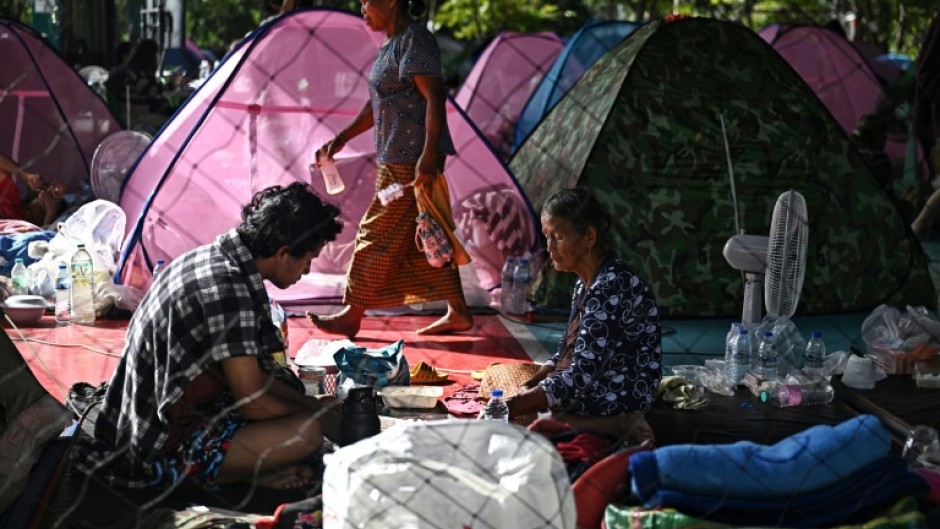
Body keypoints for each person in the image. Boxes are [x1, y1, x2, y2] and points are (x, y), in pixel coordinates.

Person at [71, 183, 344, 492]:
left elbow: (252, 380)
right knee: (305, 434)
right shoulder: (228, 289)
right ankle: (229, 474)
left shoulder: (213, 259)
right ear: (283, 253)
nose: (307, 271)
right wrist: (315, 415)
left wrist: (309, 402)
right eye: (308, 258)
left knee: (306, 411)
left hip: (143, 418)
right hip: (156, 445)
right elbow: (252, 403)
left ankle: (243, 467)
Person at [306, 0, 472, 337]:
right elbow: (378, 102)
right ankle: (459, 312)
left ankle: (351, 314)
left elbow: (434, 99)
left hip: (411, 159)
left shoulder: (415, 40)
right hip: (396, 157)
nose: (362, 8)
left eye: (367, 1)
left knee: (375, 231)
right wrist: (340, 139)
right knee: (425, 231)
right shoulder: (390, 45)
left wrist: (427, 157)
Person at [506, 187, 661, 444]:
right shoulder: (586, 282)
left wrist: (514, 405)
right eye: (547, 237)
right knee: (520, 386)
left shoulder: (610, 286)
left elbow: (581, 373)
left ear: (589, 236)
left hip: (621, 392)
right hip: (594, 378)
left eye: (557, 237)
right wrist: (530, 385)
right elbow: (565, 352)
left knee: (535, 419)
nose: (550, 248)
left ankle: (618, 423)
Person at [0, 154, 64, 228]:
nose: (45, 197)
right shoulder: (12, 200)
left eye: (45, 208)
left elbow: (42, 235)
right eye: (45, 191)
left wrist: (51, 213)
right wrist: (25, 176)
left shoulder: (25, 226)